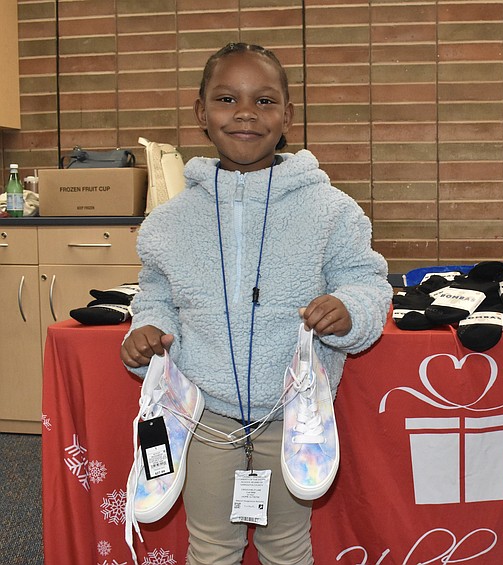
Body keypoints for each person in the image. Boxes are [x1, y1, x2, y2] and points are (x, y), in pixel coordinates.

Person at [120, 42, 392, 565]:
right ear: (201, 112)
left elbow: (369, 282)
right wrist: (148, 329)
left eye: (265, 101)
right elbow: (155, 294)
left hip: (294, 418)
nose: (246, 113)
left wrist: (349, 307)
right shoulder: (171, 221)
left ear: (288, 115)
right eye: (226, 99)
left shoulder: (329, 209)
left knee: (287, 547)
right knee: (212, 547)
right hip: (204, 418)